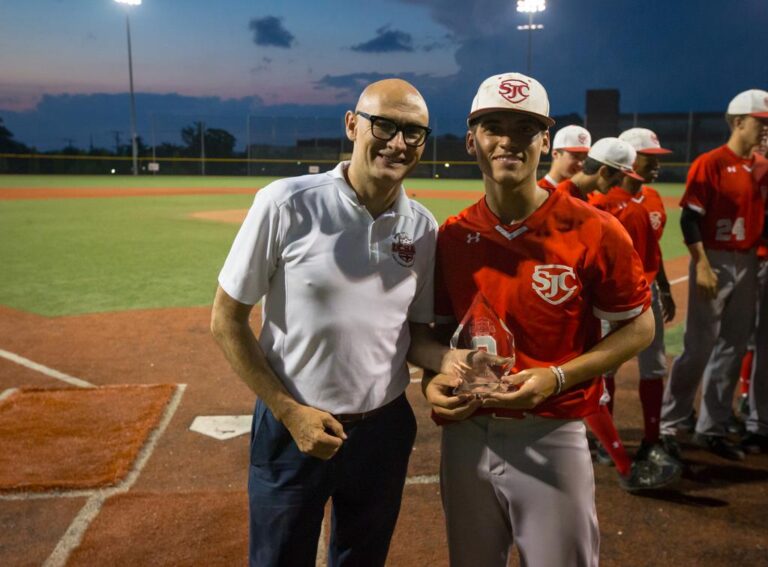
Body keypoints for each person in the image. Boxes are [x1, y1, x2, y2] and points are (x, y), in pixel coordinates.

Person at [411, 72, 655, 566]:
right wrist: (431, 383)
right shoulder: (452, 237)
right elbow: (431, 337)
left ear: (545, 142)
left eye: (524, 128)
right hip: (466, 434)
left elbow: (641, 325)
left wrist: (558, 375)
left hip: (553, 431)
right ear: (471, 141)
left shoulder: (595, 229)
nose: (508, 140)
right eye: (493, 126)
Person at [210, 78, 440, 567]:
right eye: (385, 126)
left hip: (384, 429)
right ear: (353, 125)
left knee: (363, 558)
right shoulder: (286, 202)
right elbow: (226, 319)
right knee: (278, 559)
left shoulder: (423, 227)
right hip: (292, 426)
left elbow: (416, 336)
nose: (398, 143)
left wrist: (455, 364)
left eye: (413, 132)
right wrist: (291, 413)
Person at [660, 89, 768, 462]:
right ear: (738, 122)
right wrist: (702, 264)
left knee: (733, 347)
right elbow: (689, 217)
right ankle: (670, 422)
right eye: (761, 122)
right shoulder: (712, 162)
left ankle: (713, 427)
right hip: (715, 259)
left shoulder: (761, 167)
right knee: (700, 345)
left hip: (748, 259)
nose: (765, 129)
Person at [590, 128, 681, 469]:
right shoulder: (603, 201)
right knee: (606, 366)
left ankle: (652, 439)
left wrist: (667, 288)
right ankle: (605, 442)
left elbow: (651, 249)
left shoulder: (653, 200)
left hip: (649, 291)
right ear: (628, 158)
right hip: (612, 298)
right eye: (649, 157)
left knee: (654, 366)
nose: (656, 164)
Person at [538, 124, 591, 190]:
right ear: (555, 154)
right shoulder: (537, 193)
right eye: (575, 156)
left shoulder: (586, 193)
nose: (581, 164)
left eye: (584, 158)